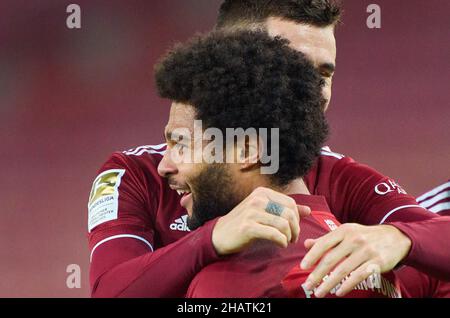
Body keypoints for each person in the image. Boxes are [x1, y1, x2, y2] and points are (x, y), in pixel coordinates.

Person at [87, 0, 450, 298]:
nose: (310, 90)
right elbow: (110, 290)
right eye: (289, 65)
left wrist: (401, 237)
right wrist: (211, 238)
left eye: (323, 74)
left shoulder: (337, 176)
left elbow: (435, 235)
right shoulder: (138, 174)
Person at [155, 29, 402, 298]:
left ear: (247, 150)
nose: (164, 166)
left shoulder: (233, 279)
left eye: (181, 144)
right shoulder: (376, 270)